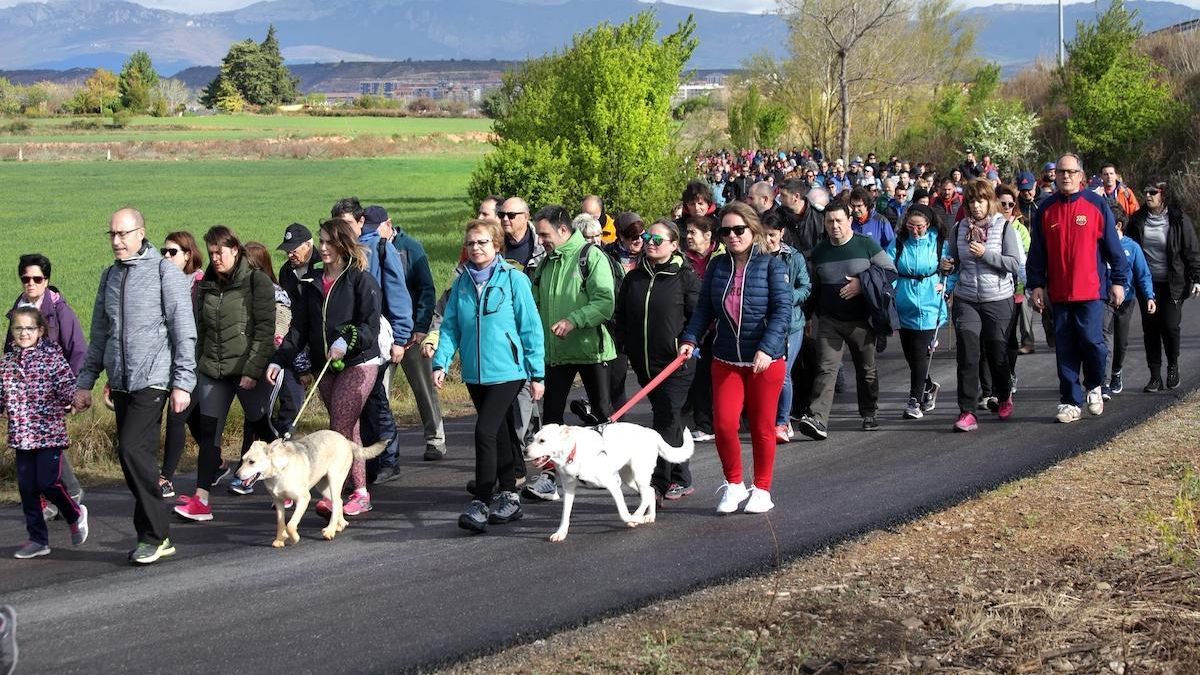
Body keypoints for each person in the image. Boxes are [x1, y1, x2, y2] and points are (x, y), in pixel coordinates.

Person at [74, 207, 196, 565]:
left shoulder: (164, 273)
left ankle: (155, 533)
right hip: (123, 382)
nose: (116, 241)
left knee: (130, 450)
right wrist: (86, 382)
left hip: (154, 379)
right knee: (133, 458)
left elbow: (183, 332)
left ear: (141, 233)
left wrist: (182, 383)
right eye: (111, 234)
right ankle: (154, 535)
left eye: (123, 234)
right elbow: (100, 335)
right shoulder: (109, 277)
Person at [433, 218, 545, 533]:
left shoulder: (513, 280)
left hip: (509, 370)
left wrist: (537, 373)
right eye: (471, 243)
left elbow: (530, 327)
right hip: (475, 374)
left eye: (482, 242)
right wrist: (440, 363)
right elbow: (451, 327)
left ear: (496, 245)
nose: (476, 248)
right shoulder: (462, 284)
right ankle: (510, 497)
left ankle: (482, 500)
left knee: (485, 432)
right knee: (505, 433)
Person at [680, 202, 789, 514]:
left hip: (765, 361)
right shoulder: (717, 266)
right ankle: (735, 484)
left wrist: (767, 348)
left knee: (761, 427)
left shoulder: (771, 265)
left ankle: (762, 489)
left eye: (738, 229)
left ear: (752, 230)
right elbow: (703, 310)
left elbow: (782, 310)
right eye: (725, 231)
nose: (731, 236)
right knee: (725, 424)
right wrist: (690, 338)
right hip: (726, 358)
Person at [267, 218, 381, 514]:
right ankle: (361, 492)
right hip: (325, 366)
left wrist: (347, 340)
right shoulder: (313, 281)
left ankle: (332, 495)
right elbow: (299, 329)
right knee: (348, 431)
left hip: (358, 363)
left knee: (338, 428)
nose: (323, 247)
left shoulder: (361, 280)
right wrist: (279, 360)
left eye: (330, 242)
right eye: (322, 241)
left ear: (344, 244)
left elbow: (369, 327)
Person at [172, 226, 277, 522]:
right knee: (209, 434)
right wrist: (197, 364)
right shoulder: (207, 284)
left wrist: (252, 370)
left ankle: (289, 482)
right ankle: (201, 500)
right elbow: (201, 330)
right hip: (213, 371)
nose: (215, 258)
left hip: (246, 371)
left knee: (263, 429)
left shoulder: (257, 282)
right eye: (211, 252)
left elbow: (264, 330)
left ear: (235, 250)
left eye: (220, 252)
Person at [1027, 153, 1129, 423]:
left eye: (1071, 172)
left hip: (1092, 291)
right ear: (1054, 175)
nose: (1066, 176)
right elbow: (1037, 251)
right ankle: (1070, 401)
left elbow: (1114, 249)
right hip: (1059, 293)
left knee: (1093, 343)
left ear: (1081, 175)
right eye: (1061, 172)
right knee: (1066, 347)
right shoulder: (1046, 209)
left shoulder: (1097, 205)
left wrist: (1119, 282)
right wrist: (1036, 284)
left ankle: (1095, 384)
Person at [524, 205, 617, 501]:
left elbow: (605, 302)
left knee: (603, 416)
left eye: (545, 234)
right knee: (550, 421)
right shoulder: (546, 264)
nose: (541, 240)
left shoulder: (591, 257)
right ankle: (550, 478)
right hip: (555, 354)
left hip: (591, 351)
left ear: (563, 230)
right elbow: (534, 304)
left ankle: (611, 468)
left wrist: (574, 320)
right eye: (539, 235)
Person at [795, 201, 898, 440]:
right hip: (830, 321)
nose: (835, 226)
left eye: (839, 220)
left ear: (849, 220)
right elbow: (815, 287)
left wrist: (862, 283)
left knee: (867, 370)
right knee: (826, 369)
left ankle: (869, 411)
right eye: (830, 221)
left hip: (862, 321)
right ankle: (818, 419)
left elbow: (890, 271)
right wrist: (808, 316)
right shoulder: (820, 251)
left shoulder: (866, 245)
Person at [615, 219, 700, 502]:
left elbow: (699, 318)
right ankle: (682, 478)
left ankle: (658, 483)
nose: (649, 242)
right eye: (647, 237)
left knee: (665, 419)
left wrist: (688, 341)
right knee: (669, 418)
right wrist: (626, 346)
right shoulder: (634, 278)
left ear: (674, 245)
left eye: (657, 239)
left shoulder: (685, 278)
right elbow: (623, 316)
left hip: (677, 364)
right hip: (645, 365)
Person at [331, 199, 413, 486]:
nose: (346, 230)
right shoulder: (338, 257)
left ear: (361, 222)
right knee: (357, 406)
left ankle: (387, 459)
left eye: (350, 224)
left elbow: (397, 293)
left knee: (376, 400)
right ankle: (364, 464)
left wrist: (400, 338)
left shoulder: (379, 247)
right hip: (348, 342)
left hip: (377, 337)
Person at [3, 307, 88, 559]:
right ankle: (38, 540)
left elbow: (66, 386)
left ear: (40, 330)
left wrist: (76, 398)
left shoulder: (52, 357)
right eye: (18, 328)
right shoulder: (7, 363)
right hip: (21, 436)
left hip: (48, 434)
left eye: (29, 328)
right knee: (28, 489)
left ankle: (75, 513)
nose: (23, 333)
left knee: (48, 483)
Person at [940, 179, 1025, 432]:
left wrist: (985, 254)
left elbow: (1014, 264)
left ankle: (1004, 394)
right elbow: (953, 258)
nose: (976, 206)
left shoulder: (1004, 227)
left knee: (997, 353)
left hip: (998, 299)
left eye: (981, 201)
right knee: (967, 354)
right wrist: (946, 265)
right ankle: (967, 411)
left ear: (991, 202)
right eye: (971, 201)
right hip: (966, 298)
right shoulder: (959, 229)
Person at [6, 254, 87, 517]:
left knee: (46, 444)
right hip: (23, 393)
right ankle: (52, 498)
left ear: (46, 280)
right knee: (34, 445)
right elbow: (10, 349)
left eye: (37, 278)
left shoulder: (59, 310)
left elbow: (78, 351)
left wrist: (71, 391)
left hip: (52, 389)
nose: (31, 283)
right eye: (25, 278)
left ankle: (69, 493)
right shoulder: (18, 309)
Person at [375, 206, 448, 462]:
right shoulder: (370, 248)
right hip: (383, 336)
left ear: (389, 224)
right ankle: (381, 445)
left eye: (377, 228)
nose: (373, 233)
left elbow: (427, 289)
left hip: (414, 333)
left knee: (424, 387)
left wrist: (420, 328)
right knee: (379, 392)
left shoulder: (410, 248)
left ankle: (435, 439)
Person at [1126, 178, 1200, 392]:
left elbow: (1192, 251)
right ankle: (1155, 376)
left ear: (1163, 195)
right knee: (1150, 329)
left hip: (1173, 283)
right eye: (1145, 192)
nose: (1147, 196)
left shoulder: (1178, 219)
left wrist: (1196, 278)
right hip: (1147, 285)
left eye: (1152, 192)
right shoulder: (1137, 220)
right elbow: (1129, 250)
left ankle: (1173, 366)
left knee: (1170, 326)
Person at [155, 232, 205, 499]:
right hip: (167, 362)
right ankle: (217, 462)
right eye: (164, 251)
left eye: (172, 252)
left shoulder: (201, 284)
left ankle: (166, 478)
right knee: (192, 419)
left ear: (188, 254)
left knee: (176, 415)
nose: (166, 256)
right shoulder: (161, 283)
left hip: (194, 362)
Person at [886, 205, 947, 419]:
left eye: (919, 227)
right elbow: (888, 270)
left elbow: (953, 268)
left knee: (921, 353)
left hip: (930, 304)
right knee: (912, 355)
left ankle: (915, 400)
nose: (914, 231)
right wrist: (891, 291)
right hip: (905, 303)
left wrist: (947, 284)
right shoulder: (899, 244)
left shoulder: (938, 243)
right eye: (910, 226)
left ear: (928, 225)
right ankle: (928, 385)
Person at [761, 211, 812, 441]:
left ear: (781, 233)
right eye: (763, 235)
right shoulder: (755, 257)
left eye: (772, 235)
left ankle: (782, 422)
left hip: (791, 324)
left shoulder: (794, 258)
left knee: (783, 373)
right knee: (764, 373)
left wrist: (785, 297)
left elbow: (805, 287)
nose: (768, 240)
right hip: (762, 323)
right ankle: (766, 418)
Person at [1103, 206, 1156, 398]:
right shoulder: (1100, 245)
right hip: (1104, 300)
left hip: (1126, 300)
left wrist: (1149, 296)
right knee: (1104, 338)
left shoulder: (1131, 247)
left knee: (1121, 341)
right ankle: (1104, 380)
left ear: (1117, 225)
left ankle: (1116, 371)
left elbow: (1143, 274)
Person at [681, 214, 720, 442]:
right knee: (700, 377)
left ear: (707, 236)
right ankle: (704, 423)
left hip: (722, 325)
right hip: (696, 325)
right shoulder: (683, 259)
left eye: (692, 232)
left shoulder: (722, 255)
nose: (688, 237)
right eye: (687, 232)